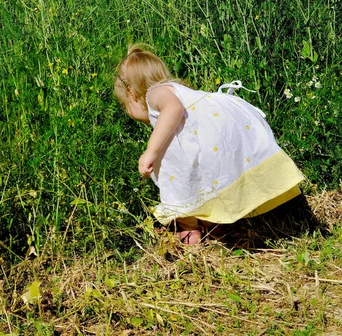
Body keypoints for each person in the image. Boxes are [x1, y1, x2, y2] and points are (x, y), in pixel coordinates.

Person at [114, 44, 305, 244]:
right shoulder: (175, 89)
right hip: (222, 131)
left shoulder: (154, 93)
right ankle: (216, 222)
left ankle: (189, 230)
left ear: (133, 91)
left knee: (177, 174)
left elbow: (173, 108)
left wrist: (150, 151)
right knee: (211, 178)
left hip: (207, 136)